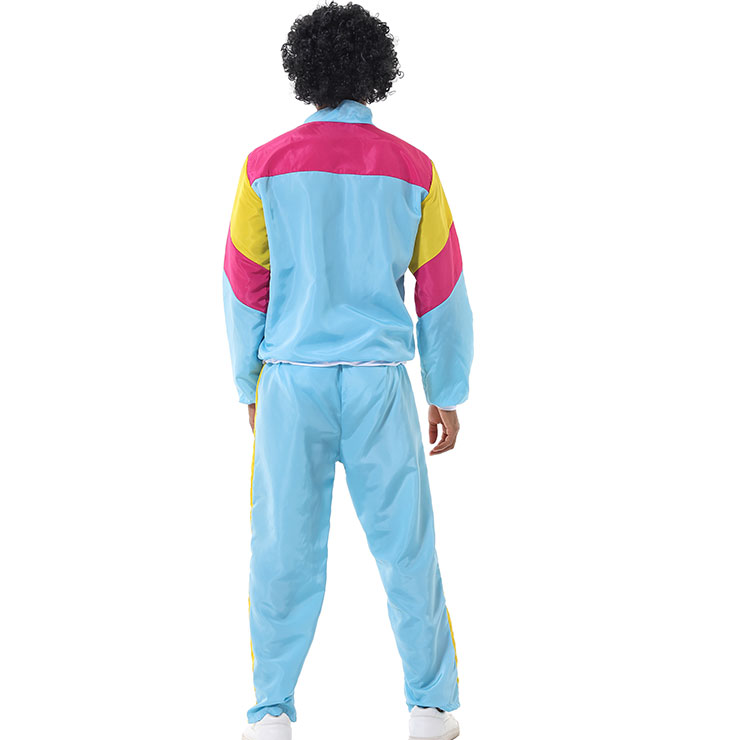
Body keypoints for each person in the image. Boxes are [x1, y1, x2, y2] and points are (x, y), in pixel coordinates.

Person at [222, 3, 473, 739]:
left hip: (291, 379)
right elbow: (442, 287)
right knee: (407, 548)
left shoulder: (263, 167)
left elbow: (243, 285)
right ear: (376, 71)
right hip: (378, 383)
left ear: (304, 72)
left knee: (280, 549)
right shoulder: (414, 168)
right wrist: (447, 390)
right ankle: (430, 707)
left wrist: (247, 382)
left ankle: (272, 710)